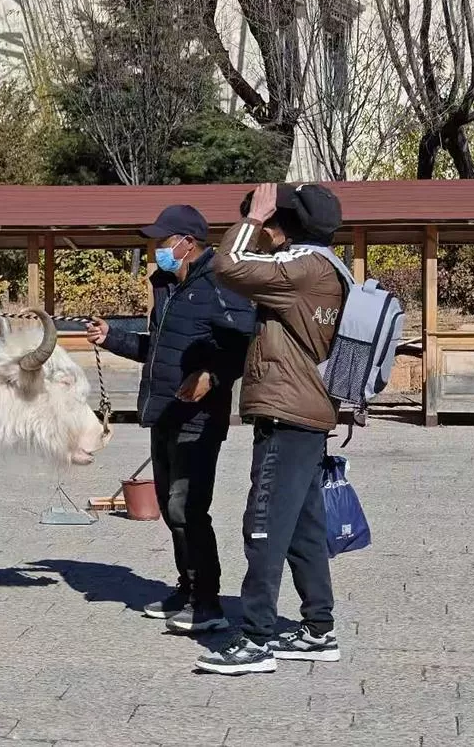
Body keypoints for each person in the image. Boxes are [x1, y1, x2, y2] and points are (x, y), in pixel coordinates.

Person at [195, 182, 345, 676]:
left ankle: (257, 638)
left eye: (275, 222)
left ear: (287, 226)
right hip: (305, 412)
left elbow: (228, 265)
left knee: (263, 525)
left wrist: (253, 218)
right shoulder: (327, 267)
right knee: (303, 528)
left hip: (288, 414)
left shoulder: (302, 267)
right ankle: (318, 630)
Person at [87, 204, 254, 634]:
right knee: (171, 509)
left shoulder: (221, 281)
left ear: (187, 243)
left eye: (162, 242)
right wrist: (113, 339)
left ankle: (209, 602)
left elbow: (245, 345)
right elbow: (158, 349)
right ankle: (187, 587)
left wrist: (212, 376)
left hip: (199, 418)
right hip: (163, 411)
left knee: (188, 508)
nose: (155, 250)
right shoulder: (166, 285)